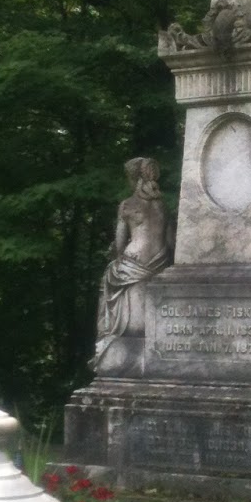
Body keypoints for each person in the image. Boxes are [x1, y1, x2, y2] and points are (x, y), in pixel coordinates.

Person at [91, 157, 173, 366]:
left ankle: (109, 336)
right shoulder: (162, 206)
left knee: (108, 280)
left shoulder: (127, 205)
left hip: (133, 262)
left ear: (135, 178)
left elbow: (119, 244)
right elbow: (170, 241)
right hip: (160, 262)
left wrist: (115, 255)